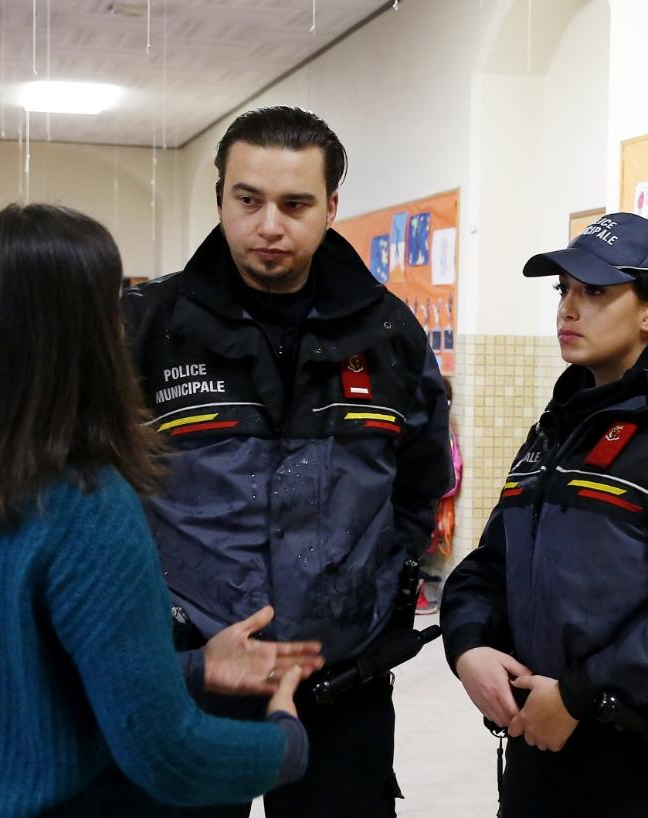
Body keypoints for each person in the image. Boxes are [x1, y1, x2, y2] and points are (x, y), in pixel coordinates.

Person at [0, 204, 313, 817]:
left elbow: (33, 689)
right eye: (109, 308)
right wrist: (285, 743)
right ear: (79, 339)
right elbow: (171, 755)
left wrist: (194, 667)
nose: (122, 329)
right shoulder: (85, 503)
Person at [123, 106, 454, 817]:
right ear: (220, 199)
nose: (270, 225)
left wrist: (367, 590)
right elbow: (101, 486)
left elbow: (422, 480)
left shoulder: (389, 332)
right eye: (249, 200)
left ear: (332, 206)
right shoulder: (148, 327)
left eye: (295, 204)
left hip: (341, 681)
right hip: (196, 678)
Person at [441, 212, 648, 818]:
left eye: (595, 292)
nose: (568, 308)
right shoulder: (557, 433)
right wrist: (468, 647)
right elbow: (490, 566)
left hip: (644, 775)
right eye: (563, 290)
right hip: (536, 757)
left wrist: (578, 694)